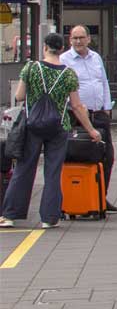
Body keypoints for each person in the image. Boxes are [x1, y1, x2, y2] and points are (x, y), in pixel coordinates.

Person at [0, 32, 103, 229]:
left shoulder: (31, 68)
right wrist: (91, 130)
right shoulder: (69, 74)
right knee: (53, 172)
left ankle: (10, 215)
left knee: (24, 168)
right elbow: (76, 106)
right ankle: (49, 218)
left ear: (45, 47)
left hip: (33, 125)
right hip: (58, 127)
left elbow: (19, 96)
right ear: (62, 49)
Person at [60, 26, 117, 214]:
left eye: (81, 37)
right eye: (74, 38)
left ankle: (101, 197)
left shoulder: (96, 58)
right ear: (70, 40)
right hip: (76, 117)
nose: (78, 41)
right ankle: (73, 199)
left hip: (99, 114)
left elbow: (103, 82)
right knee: (76, 156)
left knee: (107, 156)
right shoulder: (64, 60)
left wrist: (107, 108)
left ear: (88, 39)